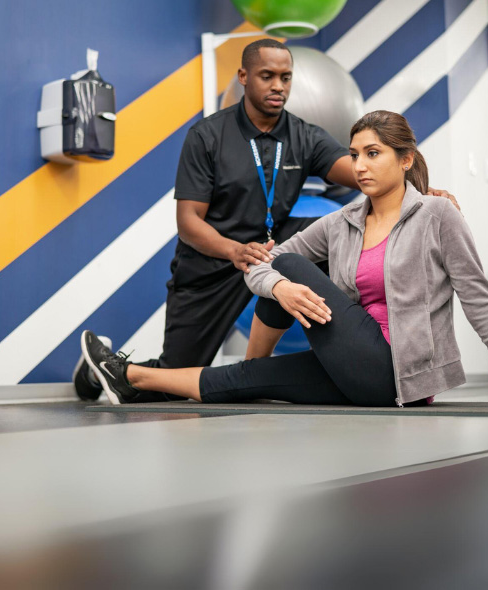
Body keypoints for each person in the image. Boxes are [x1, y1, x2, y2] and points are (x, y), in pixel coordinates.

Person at [79, 110, 488, 409]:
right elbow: (263, 263)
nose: (360, 164)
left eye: (373, 153)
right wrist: (277, 289)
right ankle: (129, 377)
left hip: (396, 373)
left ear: (406, 160)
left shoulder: (437, 217)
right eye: (354, 154)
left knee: (288, 266)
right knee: (244, 381)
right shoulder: (343, 221)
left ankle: (141, 373)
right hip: (354, 369)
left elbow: (481, 303)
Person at [73, 40, 458, 401]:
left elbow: (361, 172)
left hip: (271, 249)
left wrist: (420, 191)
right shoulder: (207, 136)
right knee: (177, 377)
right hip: (212, 263)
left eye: (285, 77)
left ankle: (257, 374)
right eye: (267, 76)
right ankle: (98, 374)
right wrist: (235, 251)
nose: (278, 86)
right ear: (244, 78)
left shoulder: (304, 136)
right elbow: (189, 221)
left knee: (316, 245)